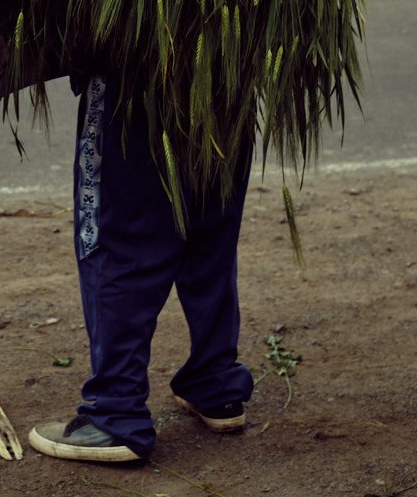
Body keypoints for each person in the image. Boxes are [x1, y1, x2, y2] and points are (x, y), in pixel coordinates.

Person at [28, 72, 253, 463]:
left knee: (118, 237)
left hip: (134, 73)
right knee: (209, 229)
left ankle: (115, 412)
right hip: (229, 73)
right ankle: (216, 385)